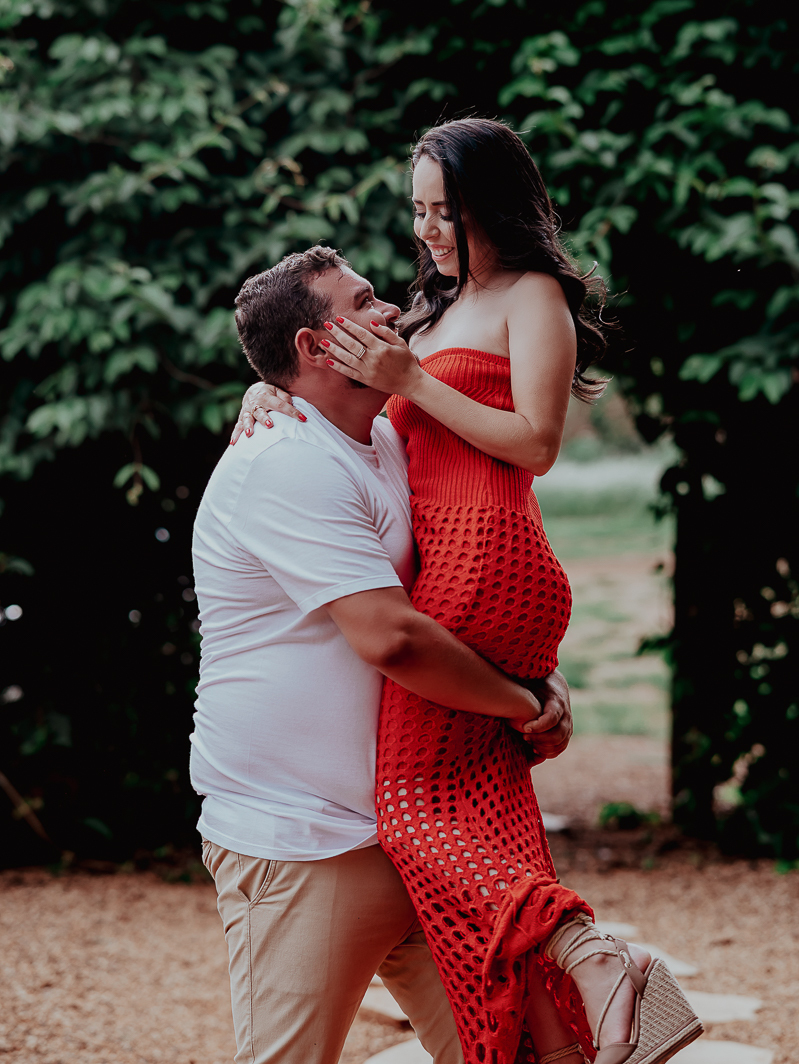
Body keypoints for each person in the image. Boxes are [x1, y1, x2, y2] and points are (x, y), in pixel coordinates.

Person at [233, 119, 702, 1064]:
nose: (428, 230)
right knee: (487, 814)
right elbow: (341, 395)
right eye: (418, 211)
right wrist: (263, 392)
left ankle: (596, 958)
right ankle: (561, 1040)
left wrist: (411, 378)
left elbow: (536, 443)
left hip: (484, 555)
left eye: (445, 210)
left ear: (494, 203)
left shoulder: (532, 295)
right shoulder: (431, 310)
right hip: (448, 558)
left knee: (408, 810)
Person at [190, 243, 577, 1064]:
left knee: (515, 1052)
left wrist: (538, 673)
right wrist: (520, 706)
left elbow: (463, 576)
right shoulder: (281, 460)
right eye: (363, 302)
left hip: (420, 826)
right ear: (313, 346)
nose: (392, 310)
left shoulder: (388, 438)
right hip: (305, 837)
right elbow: (392, 638)